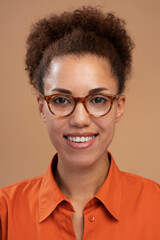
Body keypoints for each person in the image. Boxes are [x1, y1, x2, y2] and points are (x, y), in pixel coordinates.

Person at [0, 6, 159, 240]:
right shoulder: (5, 211)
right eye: (62, 100)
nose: (80, 119)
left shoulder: (156, 206)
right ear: (42, 107)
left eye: (97, 99)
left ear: (119, 106)